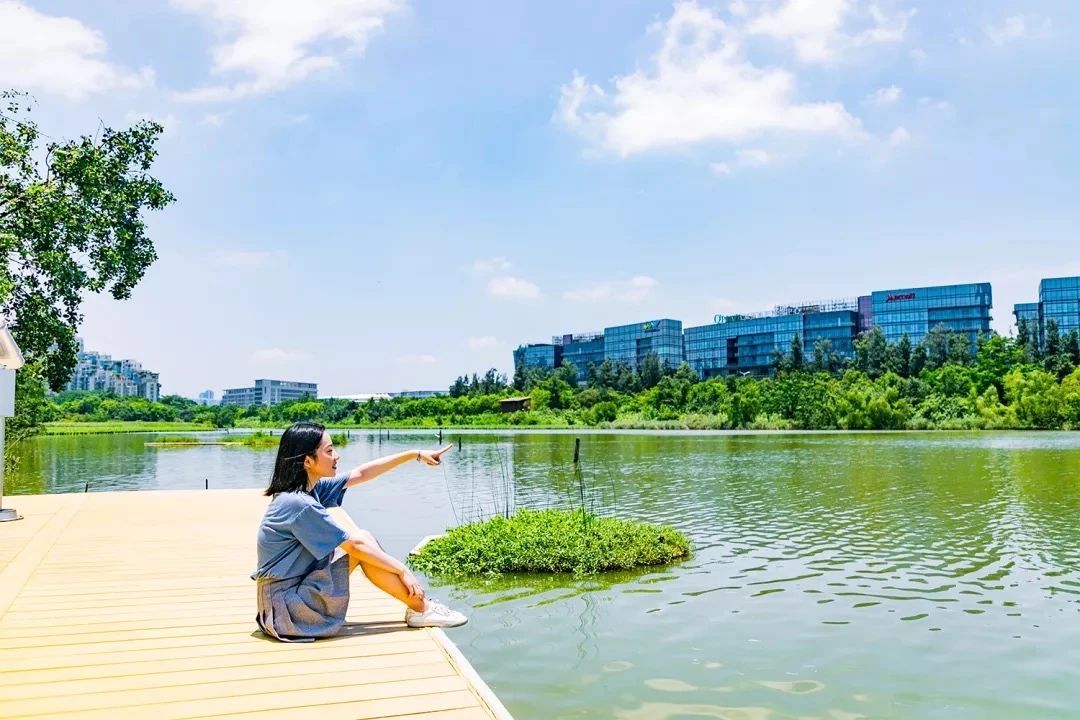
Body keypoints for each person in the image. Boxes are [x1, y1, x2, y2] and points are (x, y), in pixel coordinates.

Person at [252, 421, 467, 641]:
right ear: (307, 461)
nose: (337, 456)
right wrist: (402, 570)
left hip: (285, 601)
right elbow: (353, 546)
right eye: (329, 451)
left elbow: (362, 473)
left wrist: (415, 454)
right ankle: (421, 609)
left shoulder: (307, 491)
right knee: (360, 543)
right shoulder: (298, 504)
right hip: (287, 612)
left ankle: (420, 607)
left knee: (363, 540)